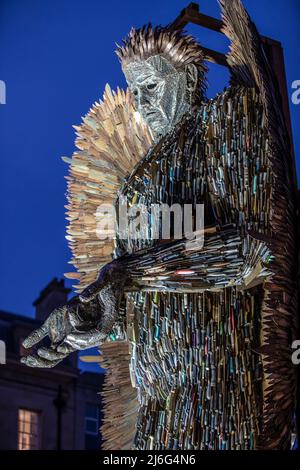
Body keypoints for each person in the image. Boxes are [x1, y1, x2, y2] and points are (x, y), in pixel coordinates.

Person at [22, 0, 297, 450]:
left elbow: (257, 253)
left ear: (188, 80)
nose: (142, 102)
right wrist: (88, 324)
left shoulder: (223, 126)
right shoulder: (134, 184)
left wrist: (131, 274)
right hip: (157, 399)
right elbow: (135, 304)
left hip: (220, 393)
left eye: (151, 86)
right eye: (136, 90)